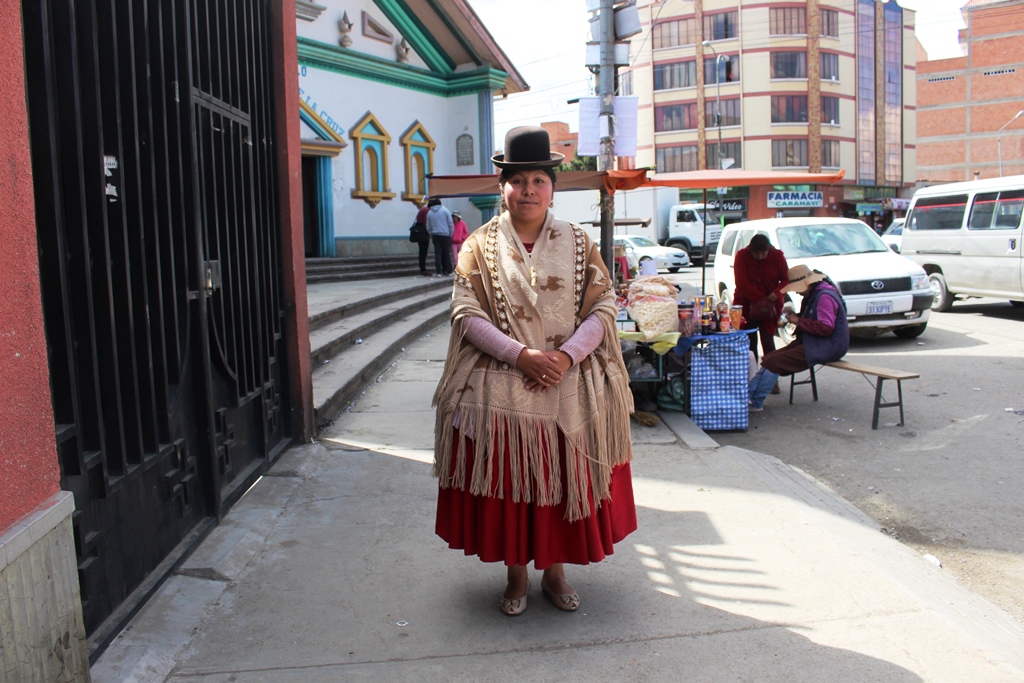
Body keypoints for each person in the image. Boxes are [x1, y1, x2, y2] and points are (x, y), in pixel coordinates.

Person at [432, 126, 637, 616]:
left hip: (571, 378)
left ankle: (556, 571)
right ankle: (517, 574)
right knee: (513, 483)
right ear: (502, 186)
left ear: (552, 187)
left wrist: (567, 356)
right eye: (517, 180)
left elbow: (604, 302)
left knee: (563, 480)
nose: (528, 190)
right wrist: (519, 356)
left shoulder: (579, 241)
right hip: (504, 381)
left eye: (538, 180)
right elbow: (467, 313)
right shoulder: (478, 246)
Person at [748, 264, 849, 411]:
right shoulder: (814, 294)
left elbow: (826, 328)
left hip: (829, 346)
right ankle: (747, 396)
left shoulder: (824, 297)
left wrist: (798, 321)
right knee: (769, 358)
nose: (798, 293)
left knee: (775, 362)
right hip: (815, 342)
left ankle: (756, 402)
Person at [732, 233, 788, 377]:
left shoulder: (777, 256)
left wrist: (777, 292)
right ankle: (751, 378)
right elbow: (741, 282)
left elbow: (786, 280)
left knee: (768, 341)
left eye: (764, 253)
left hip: (770, 307)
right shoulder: (741, 256)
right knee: (749, 343)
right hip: (746, 304)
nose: (761, 257)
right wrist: (761, 298)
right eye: (757, 254)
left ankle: (770, 379)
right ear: (751, 250)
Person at [426, 198, 454, 276]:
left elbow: (428, 226)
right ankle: (449, 271)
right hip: (445, 234)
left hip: (435, 235)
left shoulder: (429, 213)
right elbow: (450, 223)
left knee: (438, 253)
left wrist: (431, 233)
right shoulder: (445, 211)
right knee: (447, 253)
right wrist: (450, 234)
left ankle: (439, 271)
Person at [414, 203, 431, 276]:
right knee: (423, 251)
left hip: (419, 232)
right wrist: (428, 233)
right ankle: (423, 269)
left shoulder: (422, 209)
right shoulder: (427, 211)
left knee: (422, 251)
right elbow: (426, 223)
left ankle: (422, 268)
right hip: (423, 233)